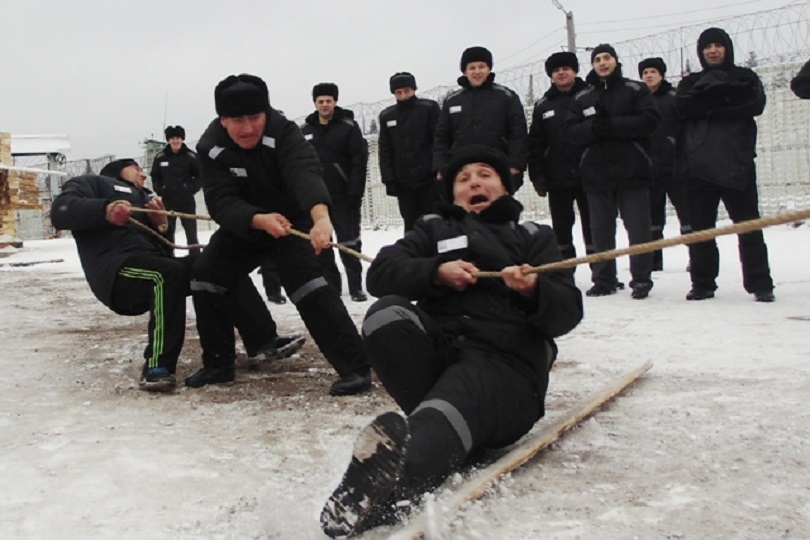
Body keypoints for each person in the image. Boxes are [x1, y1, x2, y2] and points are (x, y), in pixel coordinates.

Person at [319, 145, 583, 537]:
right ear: (454, 195)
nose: (474, 181)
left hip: (505, 370)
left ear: (505, 188)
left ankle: (391, 487)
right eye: (463, 178)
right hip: (444, 355)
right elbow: (381, 275)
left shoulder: (533, 237)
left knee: (460, 391)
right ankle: (443, 427)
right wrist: (435, 272)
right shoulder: (433, 230)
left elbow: (567, 312)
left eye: (485, 174)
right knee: (387, 315)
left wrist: (532, 289)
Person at [189, 73, 371, 395]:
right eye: (237, 120)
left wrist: (320, 218)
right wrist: (257, 219)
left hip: (292, 221)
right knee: (207, 275)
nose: (247, 128)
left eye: (255, 117)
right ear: (222, 119)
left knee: (309, 285)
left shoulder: (284, 132)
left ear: (266, 113)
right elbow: (220, 201)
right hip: (245, 224)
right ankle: (218, 364)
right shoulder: (209, 146)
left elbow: (304, 172)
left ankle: (355, 368)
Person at [51, 159, 302, 392]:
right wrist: (106, 209)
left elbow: (163, 250)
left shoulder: (147, 198)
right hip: (116, 272)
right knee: (165, 274)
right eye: (136, 167)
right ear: (118, 169)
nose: (143, 173)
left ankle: (262, 342)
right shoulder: (92, 183)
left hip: (153, 264)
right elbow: (61, 212)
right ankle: (158, 365)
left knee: (219, 265)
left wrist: (160, 224)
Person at [676, 27, 775, 302]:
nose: (713, 51)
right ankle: (703, 283)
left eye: (718, 45)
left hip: (737, 164)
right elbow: (683, 108)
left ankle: (760, 283)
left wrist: (709, 105)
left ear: (727, 48)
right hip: (698, 167)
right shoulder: (689, 82)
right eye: (708, 47)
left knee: (748, 227)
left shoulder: (745, 76)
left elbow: (754, 104)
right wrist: (725, 99)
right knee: (701, 232)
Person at [567, 44, 659, 299]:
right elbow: (571, 132)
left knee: (639, 229)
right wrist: (594, 129)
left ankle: (641, 279)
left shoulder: (635, 89)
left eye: (607, 58)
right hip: (597, 174)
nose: (602, 63)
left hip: (632, 170)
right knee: (601, 230)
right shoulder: (582, 97)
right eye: (597, 59)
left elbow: (650, 120)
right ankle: (604, 279)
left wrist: (614, 125)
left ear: (616, 61)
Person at [300, 82, 369, 302]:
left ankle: (356, 287)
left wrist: (354, 191)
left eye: (328, 100)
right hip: (318, 197)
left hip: (344, 195)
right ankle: (332, 286)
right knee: (323, 243)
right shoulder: (306, 131)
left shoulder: (348, 126)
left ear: (335, 102)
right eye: (320, 101)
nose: (324, 105)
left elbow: (359, 160)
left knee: (349, 242)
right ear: (315, 103)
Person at [528, 51, 594, 263]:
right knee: (562, 229)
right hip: (558, 177)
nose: (561, 73)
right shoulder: (544, 105)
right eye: (556, 70)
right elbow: (536, 143)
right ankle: (565, 272)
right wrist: (536, 174)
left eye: (565, 68)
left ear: (574, 71)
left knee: (594, 226)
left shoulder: (590, 96)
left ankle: (602, 274)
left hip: (590, 176)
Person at [433, 46, 528, 193]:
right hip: (462, 170)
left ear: (489, 68)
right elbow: (442, 137)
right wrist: (441, 168)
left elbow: (518, 133)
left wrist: (515, 166)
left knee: (498, 214)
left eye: (481, 67)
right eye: (472, 67)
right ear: (465, 71)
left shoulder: (506, 97)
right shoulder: (452, 101)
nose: (477, 71)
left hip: (497, 169)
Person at [638, 57, 691, 271]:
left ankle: (696, 256)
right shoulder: (639, 101)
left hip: (675, 168)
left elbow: (685, 130)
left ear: (661, 74)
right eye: (645, 73)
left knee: (687, 216)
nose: (648, 75)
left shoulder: (673, 98)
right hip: (649, 169)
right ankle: (654, 260)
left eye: (653, 71)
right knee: (652, 219)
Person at [378, 72, 442, 232]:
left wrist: (440, 170)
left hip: (429, 180)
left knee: (436, 222)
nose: (403, 95)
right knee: (411, 225)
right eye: (399, 92)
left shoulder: (429, 109)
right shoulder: (387, 116)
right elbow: (385, 150)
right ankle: (413, 255)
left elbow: (439, 141)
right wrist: (389, 179)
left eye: (407, 91)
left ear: (414, 89)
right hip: (404, 183)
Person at [150, 125, 202, 254]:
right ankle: (169, 260)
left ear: (182, 139)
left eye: (178, 138)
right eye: (172, 138)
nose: (175, 141)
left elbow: (201, 175)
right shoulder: (160, 157)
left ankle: (195, 261)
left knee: (192, 236)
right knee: (168, 235)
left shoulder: (191, 156)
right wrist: (160, 189)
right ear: (168, 140)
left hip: (186, 202)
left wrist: (190, 188)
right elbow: (155, 175)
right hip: (168, 202)